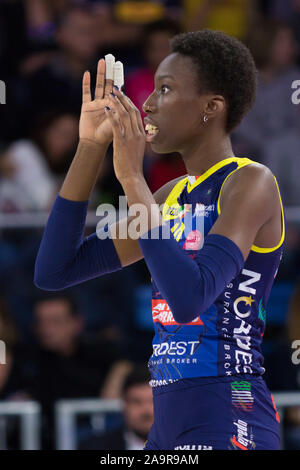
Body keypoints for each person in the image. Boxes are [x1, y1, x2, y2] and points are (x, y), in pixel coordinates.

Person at [35, 30, 284, 450]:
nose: (147, 103)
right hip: (166, 420)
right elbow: (55, 271)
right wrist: (90, 146)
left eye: (165, 90)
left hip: (227, 409)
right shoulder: (168, 198)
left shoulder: (250, 182)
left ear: (211, 107)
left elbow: (190, 298)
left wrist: (131, 176)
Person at [79, 366, 153, 450]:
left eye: (154, 402)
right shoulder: (94, 447)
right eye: (136, 402)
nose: (147, 411)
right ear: (124, 405)